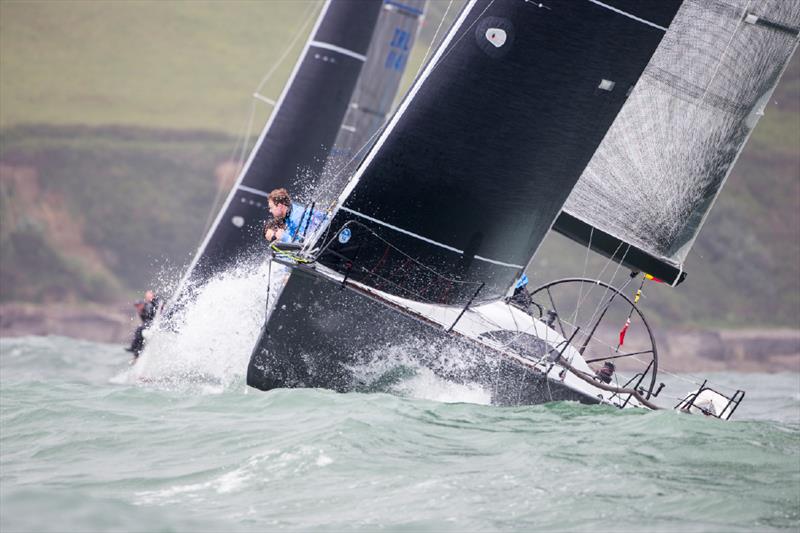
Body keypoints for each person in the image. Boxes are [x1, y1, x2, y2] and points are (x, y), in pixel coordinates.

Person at [125, 290, 162, 360]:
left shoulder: (148, 305)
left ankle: (134, 350)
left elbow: (157, 304)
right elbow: (144, 321)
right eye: (136, 306)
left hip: (154, 323)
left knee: (139, 329)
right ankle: (136, 353)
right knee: (139, 332)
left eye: (138, 305)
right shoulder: (140, 311)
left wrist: (152, 297)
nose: (137, 307)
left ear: (142, 304)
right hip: (148, 325)